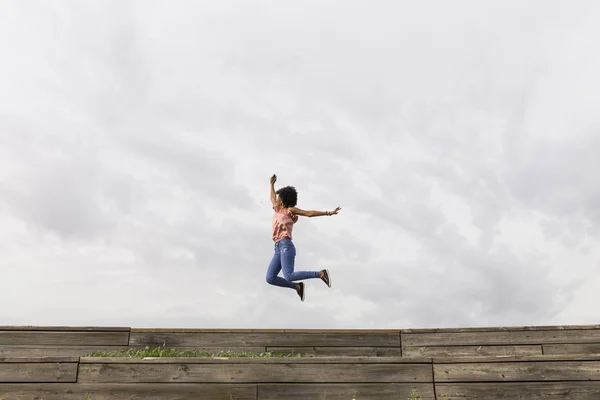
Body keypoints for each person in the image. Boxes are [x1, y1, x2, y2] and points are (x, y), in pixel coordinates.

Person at [266, 174, 341, 301]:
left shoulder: (290, 210)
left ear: (283, 199)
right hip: (277, 248)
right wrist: (272, 184)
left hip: (286, 245)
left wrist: (328, 213)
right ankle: (297, 287)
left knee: (288, 275)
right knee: (270, 278)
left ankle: (321, 274)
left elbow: (308, 213)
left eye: (279, 197)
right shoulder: (277, 209)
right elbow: (272, 197)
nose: (276, 199)